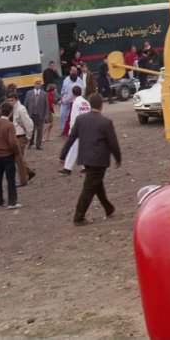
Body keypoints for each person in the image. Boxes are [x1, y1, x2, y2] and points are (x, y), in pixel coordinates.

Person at [60, 94, 121, 226]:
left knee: (96, 184)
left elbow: (71, 138)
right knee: (89, 188)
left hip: (85, 158)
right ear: (101, 105)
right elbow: (113, 143)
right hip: (99, 159)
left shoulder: (81, 119)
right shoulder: (106, 122)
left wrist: (63, 155)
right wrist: (118, 158)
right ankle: (79, 217)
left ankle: (108, 208)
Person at [59, 86, 91, 176]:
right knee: (82, 148)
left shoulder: (76, 103)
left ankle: (67, 169)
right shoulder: (86, 102)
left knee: (73, 149)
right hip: (87, 127)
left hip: (78, 129)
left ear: (73, 93)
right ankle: (86, 166)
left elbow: (74, 117)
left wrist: (71, 130)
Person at [7, 92, 35, 186]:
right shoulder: (14, 109)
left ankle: (23, 180)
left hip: (21, 136)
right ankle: (28, 172)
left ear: (16, 99)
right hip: (17, 136)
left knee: (18, 159)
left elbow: (28, 123)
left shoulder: (21, 109)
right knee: (19, 158)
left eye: (11, 100)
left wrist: (28, 136)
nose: (10, 102)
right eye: (9, 100)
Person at [59, 66, 85, 137]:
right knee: (63, 115)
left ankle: (77, 130)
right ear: (70, 72)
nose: (74, 73)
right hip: (66, 101)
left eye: (75, 71)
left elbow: (82, 90)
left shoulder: (79, 80)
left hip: (76, 101)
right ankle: (64, 130)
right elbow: (63, 91)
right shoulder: (66, 80)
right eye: (73, 71)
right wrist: (62, 99)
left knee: (76, 115)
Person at [25, 80, 49, 150]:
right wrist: (25, 114)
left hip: (40, 115)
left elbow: (46, 105)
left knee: (40, 131)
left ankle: (38, 145)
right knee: (31, 130)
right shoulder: (29, 93)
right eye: (36, 84)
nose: (38, 85)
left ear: (41, 85)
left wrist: (46, 115)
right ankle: (30, 143)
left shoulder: (44, 94)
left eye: (39, 84)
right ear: (34, 85)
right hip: (31, 114)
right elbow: (26, 104)